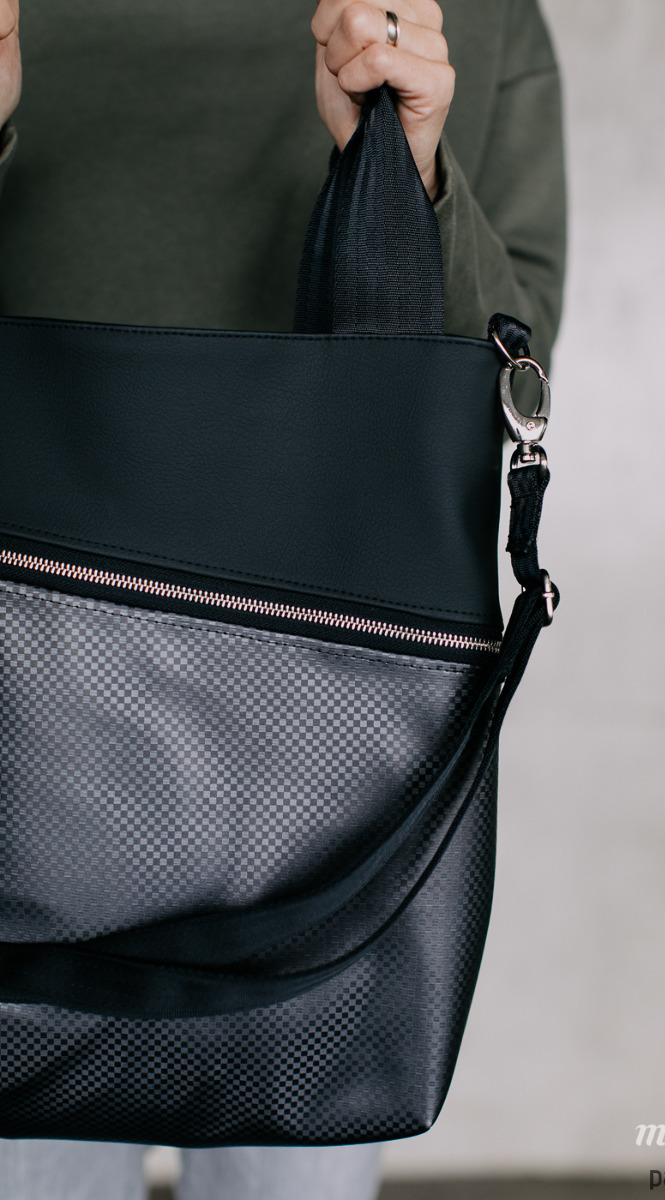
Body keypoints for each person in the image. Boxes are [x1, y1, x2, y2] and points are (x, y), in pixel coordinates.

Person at [0, 2, 566, 1198]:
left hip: (324, 743)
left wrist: (411, 172)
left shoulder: (464, 15)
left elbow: (505, 375)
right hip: (31, 701)